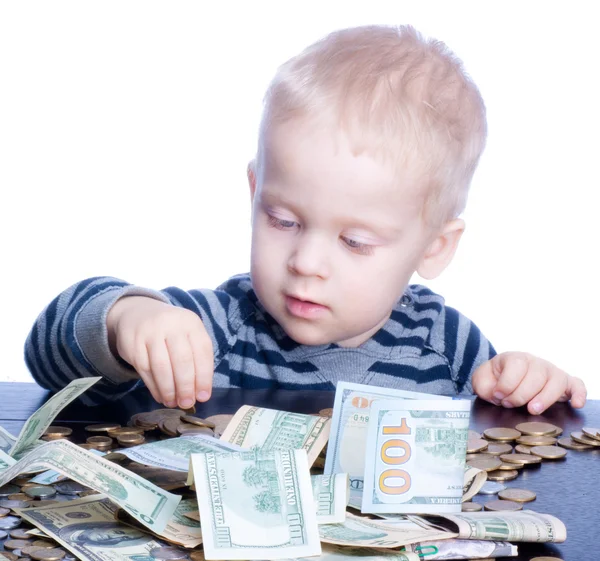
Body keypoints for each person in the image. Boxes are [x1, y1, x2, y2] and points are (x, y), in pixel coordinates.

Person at [24, 24, 586, 415]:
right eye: (283, 220)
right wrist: (128, 320)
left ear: (434, 247)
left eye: (355, 241)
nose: (307, 263)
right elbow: (47, 357)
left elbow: (523, 443)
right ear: (254, 194)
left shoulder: (450, 351)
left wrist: (532, 389)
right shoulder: (217, 328)